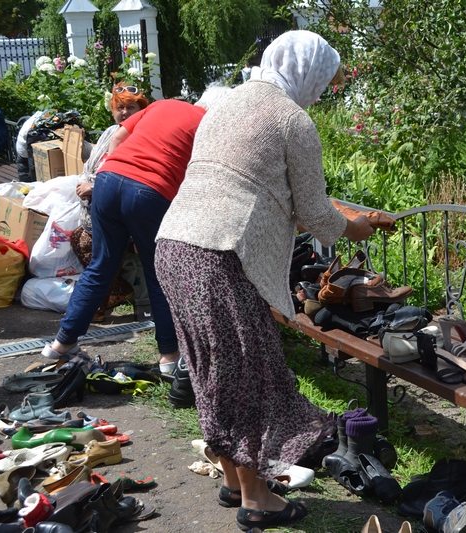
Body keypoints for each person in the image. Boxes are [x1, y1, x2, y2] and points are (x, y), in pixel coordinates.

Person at [154, 30, 375, 531]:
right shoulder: (292, 120)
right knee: (249, 377)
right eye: (322, 83)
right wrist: (357, 226)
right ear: (308, 72)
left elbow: (252, 187)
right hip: (219, 256)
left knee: (216, 374)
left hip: (175, 247)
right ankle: (259, 501)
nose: (320, 94)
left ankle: (235, 481)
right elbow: (317, 213)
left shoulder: (227, 103)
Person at [42, 97, 207, 376]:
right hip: (149, 192)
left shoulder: (161, 105)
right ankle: (169, 356)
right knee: (158, 274)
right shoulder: (206, 121)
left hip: (107, 182)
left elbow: (116, 138)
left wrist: (120, 173)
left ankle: (61, 344)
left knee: (101, 266)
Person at [70, 82, 150, 322]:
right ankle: (110, 294)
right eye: (120, 107)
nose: (124, 112)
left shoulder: (142, 136)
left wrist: (94, 188)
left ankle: (102, 301)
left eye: (131, 107)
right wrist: (85, 182)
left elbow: (132, 177)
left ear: (142, 109)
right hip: (103, 210)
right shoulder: (109, 132)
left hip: (129, 214)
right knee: (77, 237)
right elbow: (92, 164)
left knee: (90, 245)